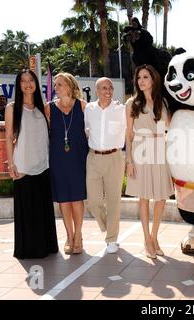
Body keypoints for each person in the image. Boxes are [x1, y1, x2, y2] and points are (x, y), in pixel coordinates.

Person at [5, 69, 58, 259]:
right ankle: (28, 249)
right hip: (23, 167)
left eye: (31, 80)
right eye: (23, 81)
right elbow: (9, 136)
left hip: (43, 165)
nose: (28, 84)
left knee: (42, 210)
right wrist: (11, 163)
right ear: (18, 85)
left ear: (36, 84)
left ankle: (47, 246)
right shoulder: (12, 108)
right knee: (27, 212)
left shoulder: (42, 108)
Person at [125, 64, 174, 259]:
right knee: (143, 197)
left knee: (161, 197)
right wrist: (129, 160)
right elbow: (128, 134)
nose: (142, 81)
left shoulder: (162, 102)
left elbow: (169, 126)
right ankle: (146, 239)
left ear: (153, 80)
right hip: (141, 150)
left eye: (145, 77)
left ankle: (154, 237)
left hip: (160, 149)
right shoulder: (132, 103)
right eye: (139, 78)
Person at [45, 72, 88, 255]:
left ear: (70, 86)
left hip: (78, 157)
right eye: (55, 85)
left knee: (77, 198)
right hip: (58, 159)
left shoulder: (83, 106)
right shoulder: (48, 108)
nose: (56, 87)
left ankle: (78, 236)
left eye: (60, 84)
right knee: (63, 199)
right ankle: (69, 236)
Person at [84, 77, 126, 254]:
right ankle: (107, 226)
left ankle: (112, 239)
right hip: (93, 157)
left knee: (113, 200)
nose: (108, 91)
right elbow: (87, 130)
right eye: (104, 88)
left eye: (110, 88)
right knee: (93, 201)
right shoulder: (89, 109)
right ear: (96, 91)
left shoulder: (121, 109)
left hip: (114, 157)